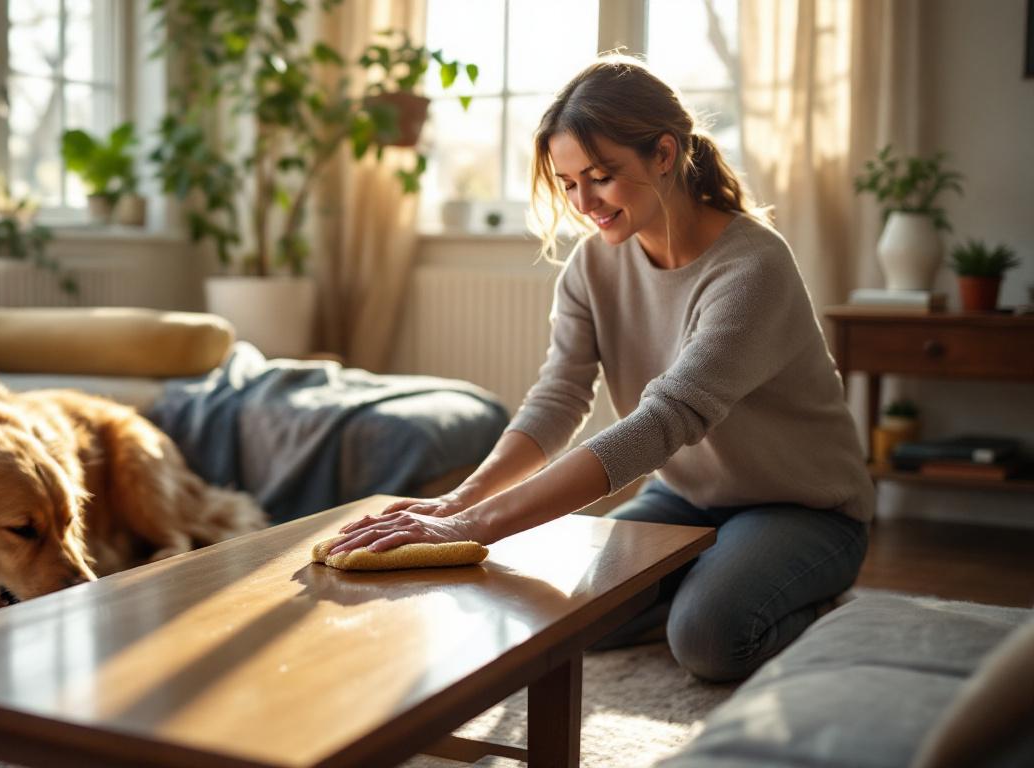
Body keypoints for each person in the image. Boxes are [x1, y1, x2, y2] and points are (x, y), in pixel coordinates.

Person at [327, 55, 874, 683]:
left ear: (664, 154)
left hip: (803, 509)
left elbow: (664, 421)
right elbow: (558, 397)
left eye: (601, 177)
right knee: (568, 619)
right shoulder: (593, 266)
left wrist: (472, 526)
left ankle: (801, 601)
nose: (583, 202)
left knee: (710, 637)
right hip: (688, 498)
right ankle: (711, 574)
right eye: (567, 183)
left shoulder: (752, 268)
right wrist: (457, 500)